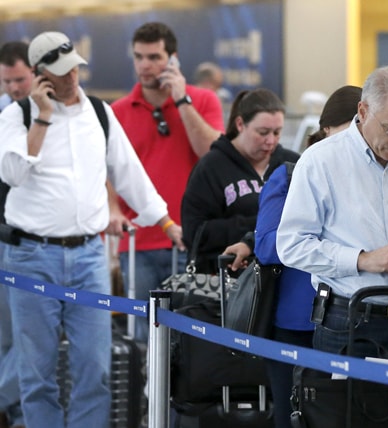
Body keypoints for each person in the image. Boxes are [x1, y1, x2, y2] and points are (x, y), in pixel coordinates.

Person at [0, 30, 173, 428]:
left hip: (89, 257)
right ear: (40, 75)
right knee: (37, 371)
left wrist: (162, 220)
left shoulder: (99, 112)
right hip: (31, 257)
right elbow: (12, 173)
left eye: (74, 67)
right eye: (61, 72)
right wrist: (42, 117)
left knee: (94, 367)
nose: (72, 77)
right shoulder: (18, 115)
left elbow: (129, 171)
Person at [276, 64, 388, 359]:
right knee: (345, 406)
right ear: (363, 111)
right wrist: (362, 259)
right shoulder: (320, 161)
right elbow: (292, 245)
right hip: (349, 318)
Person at [223, 84, 362, 428]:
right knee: (294, 417)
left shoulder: (369, 179)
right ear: (326, 129)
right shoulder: (288, 174)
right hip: (299, 320)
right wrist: (326, 244)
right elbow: (269, 245)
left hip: (356, 319)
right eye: (347, 134)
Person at [111, 21, 225, 342]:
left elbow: (211, 155)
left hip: (191, 241)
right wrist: (112, 211)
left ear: (172, 59)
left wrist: (182, 100)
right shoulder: (118, 111)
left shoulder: (202, 101)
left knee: (190, 342)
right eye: (139, 57)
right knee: (144, 339)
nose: (145, 65)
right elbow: (106, 173)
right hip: (140, 243)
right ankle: (147, 395)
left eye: (154, 57)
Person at [181, 88, 299, 274]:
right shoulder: (211, 166)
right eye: (262, 132)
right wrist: (258, 226)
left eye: (277, 132)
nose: (270, 141)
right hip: (221, 279)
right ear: (240, 124)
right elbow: (193, 233)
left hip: (279, 279)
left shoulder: (291, 165)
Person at [0, 39, 31, 428]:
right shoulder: (3, 118)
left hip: (36, 243)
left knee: (30, 340)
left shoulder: (59, 118)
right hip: (3, 238)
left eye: (19, 79)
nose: (13, 89)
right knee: (7, 340)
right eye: (6, 82)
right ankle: (16, 413)